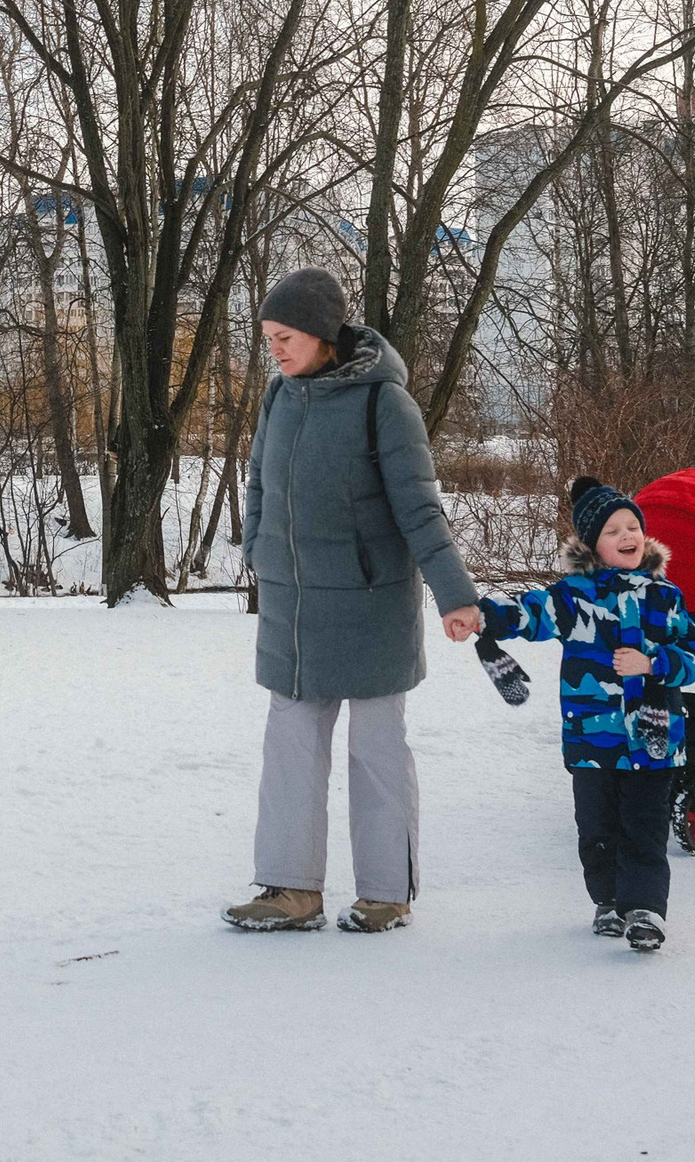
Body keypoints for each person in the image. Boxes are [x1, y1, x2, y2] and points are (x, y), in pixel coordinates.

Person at [223, 268, 482, 935]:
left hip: (369, 602)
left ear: (320, 334)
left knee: (376, 746)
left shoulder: (383, 403)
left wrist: (455, 595)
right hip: (294, 605)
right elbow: (259, 481)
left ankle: (386, 892)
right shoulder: (279, 395)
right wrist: (259, 550)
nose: (274, 349)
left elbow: (420, 509)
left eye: (285, 337)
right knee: (289, 742)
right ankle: (289, 888)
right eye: (269, 338)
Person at [466, 478, 695, 952]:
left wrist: (654, 664)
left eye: (633, 526)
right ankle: (609, 900)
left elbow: (693, 655)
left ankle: (645, 910)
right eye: (613, 530)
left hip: (654, 743)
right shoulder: (573, 597)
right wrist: (483, 617)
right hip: (592, 742)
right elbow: (529, 613)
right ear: (593, 545)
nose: (627, 535)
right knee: (596, 829)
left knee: (645, 828)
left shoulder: (665, 597)